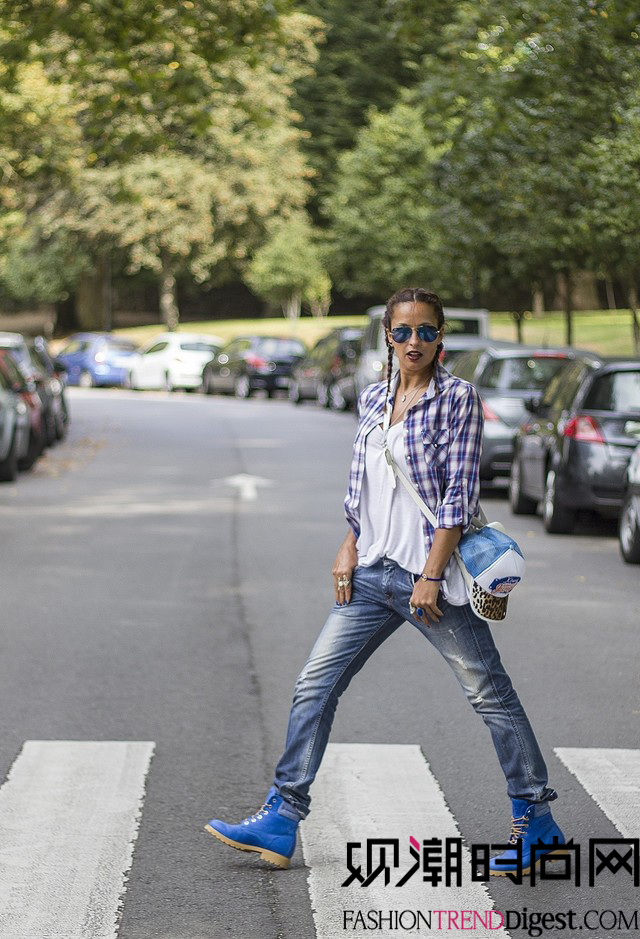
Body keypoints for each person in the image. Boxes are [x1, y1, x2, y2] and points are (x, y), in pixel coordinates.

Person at [205, 286, 566, 875]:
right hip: (372, 574)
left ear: (441, 336)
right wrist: (348, 545)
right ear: (388, 336)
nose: (414, 342)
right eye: (403, 331)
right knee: (313, 688)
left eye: (426, 331)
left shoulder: (458, 399)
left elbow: (457, 496)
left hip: (432, 582)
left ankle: (537, 818)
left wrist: (428, 574)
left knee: (488, 694)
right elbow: (365, 487)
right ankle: (281, 817)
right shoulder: (373, 399)